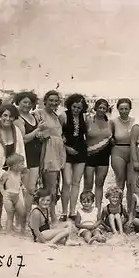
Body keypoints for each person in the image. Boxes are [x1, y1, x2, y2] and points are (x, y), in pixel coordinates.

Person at [0, 103, 26, 230]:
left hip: (13, 169)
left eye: (11, 116)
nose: (8, 119)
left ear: (15, 118)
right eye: (5, 115)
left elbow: (21, 151)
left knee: (14, 195)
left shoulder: (17, 131)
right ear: (0, 115)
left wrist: (22, 168)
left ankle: (12, 223)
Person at [33, 90, 66, 223]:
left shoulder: (55, 115)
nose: (53, 103)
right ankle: (52, 217)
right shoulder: (38, 114)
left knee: (54, 186)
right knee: (49, 187)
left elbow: (57, 133)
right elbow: (37, 134)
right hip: (48, 153)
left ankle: (48, 215)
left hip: (57, 153)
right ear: (44, 100)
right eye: (51, 100)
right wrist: (44, 135)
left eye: (56, 101)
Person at [12, 91, 42, 222]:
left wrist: (40, 135)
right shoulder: (18, 118)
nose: (27, 105)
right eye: (24, 102)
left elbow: (36, 137)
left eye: (30, 103)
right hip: (23, 157)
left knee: (31, 189)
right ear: (18, 102)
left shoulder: (33, 116)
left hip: (35, 156)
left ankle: (27, 215)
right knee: (21, 189)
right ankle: (19, 218)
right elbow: (23, 139)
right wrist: (37, 131)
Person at [59, 93, 88, 221]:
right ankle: (63, 212)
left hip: (81, 151)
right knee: (67, 182)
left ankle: (72, 211)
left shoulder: (84, 117)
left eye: (78, 108)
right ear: (70, 105)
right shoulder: (64, 116)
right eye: (74, 107)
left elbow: (85, 134)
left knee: (76, 183)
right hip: (66, 151)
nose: (76, 110)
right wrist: (66, 148)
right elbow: (57, 134)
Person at [84, 99, 113, 214]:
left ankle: (97, 210)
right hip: (90, 155)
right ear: (95, 108)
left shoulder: (110, 123)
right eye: (100, 107)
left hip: (104, 156)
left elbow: (113, 138)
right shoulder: (88, 121)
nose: (102, 110)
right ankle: (86, 209)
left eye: (104, 108)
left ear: (107, 110)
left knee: (99, 184)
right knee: (88, 184)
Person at [110, 98, 135, 213]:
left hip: (132, 152)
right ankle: (117, 209)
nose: (124, 111)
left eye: (126, 108)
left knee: (131, 183)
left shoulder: (135, 121)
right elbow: (108, 137)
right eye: (121, 109)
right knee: (120, 182)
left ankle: (130, 210)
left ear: (130, 109)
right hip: (118, 151)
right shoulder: (113, 122)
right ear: (118, 109)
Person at [0, 153, 27, 233]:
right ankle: (8, 233)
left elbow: (18, 183)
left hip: (16, 196)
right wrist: (3, 192)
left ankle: (23, 231)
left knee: (23, 213)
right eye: (21, 164)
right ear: (14, 165)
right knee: (10, 215)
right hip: (8, 197)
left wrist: (22, 186)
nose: (23, 165)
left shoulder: (19, 174)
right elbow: (1, 184)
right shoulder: (7, 174)